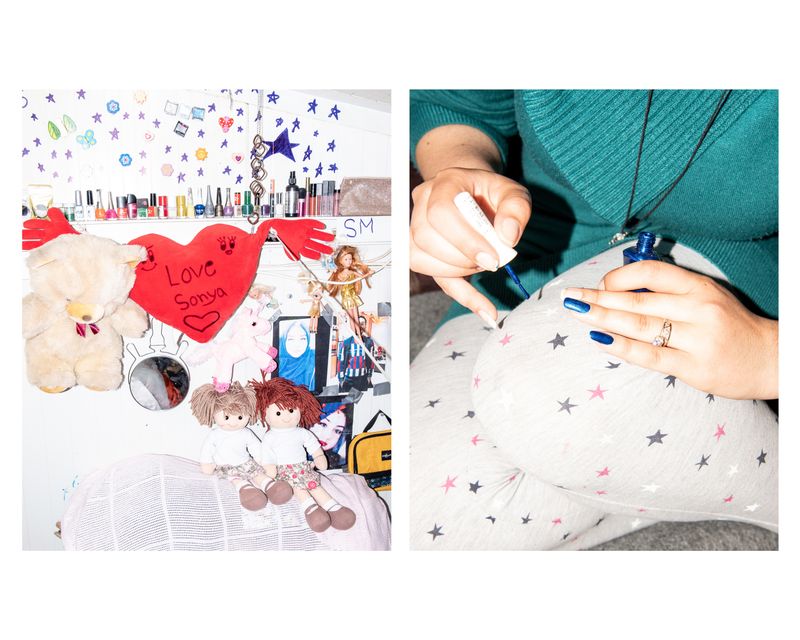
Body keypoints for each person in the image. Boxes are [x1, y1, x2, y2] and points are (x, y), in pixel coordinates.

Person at [408, 90, 778, 550]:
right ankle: (644, 470)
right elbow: (459, 103)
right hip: (534, 246)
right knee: (416, 518)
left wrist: (772, 356)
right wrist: (457, 171)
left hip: (748, 268)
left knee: (542, 397)